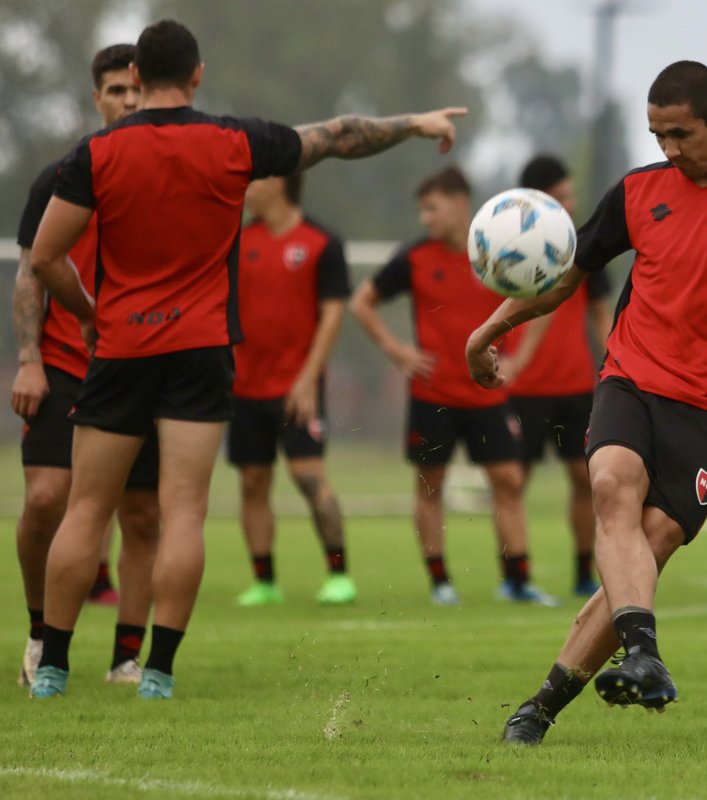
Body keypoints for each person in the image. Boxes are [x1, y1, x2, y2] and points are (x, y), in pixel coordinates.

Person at [28, 19, 466, 700]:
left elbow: (44, 258)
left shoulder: (96, 154)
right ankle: (158, 675)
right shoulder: (235, 142)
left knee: (87, 509)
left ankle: (52, 668)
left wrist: (90, 315)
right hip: (201, 353)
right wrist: (415, 122)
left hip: (121, 348)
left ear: (137, 80)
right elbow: (341, 135)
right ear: (197, 74)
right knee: (183, 512)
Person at [465, 60, 707, 744]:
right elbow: (565, 275)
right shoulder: (638, 192)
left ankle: (539, 707)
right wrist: (490, 328)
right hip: (631, 377)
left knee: (651, 542)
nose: (668, 148)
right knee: (610, 486)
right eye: (657, 134)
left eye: (681, 133)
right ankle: (644, 657)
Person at [11, 43, 161, 688]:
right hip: (67, 364)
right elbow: (31, 272)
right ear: (95, 98)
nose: (127, 102)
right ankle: (41, 635)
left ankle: (127, 655)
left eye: (135, 91)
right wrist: (28, 358)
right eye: (115, 92)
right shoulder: (62, 176)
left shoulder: (164, 176)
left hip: (141, 364)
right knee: (46, 500)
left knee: (143, 516)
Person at [350, 166, 557, 608]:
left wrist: (520, 356)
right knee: (430, 484)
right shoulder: (414, 258)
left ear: (461, 204)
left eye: (432, 208)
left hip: (488, 394)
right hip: (433, 396)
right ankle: (440, 582)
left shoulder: (496, 253)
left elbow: (543, 299)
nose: (425, 218)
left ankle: (517, 581)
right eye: (421, 210)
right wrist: (397, 350)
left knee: (508, 480)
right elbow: (361, 301)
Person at [229, 172, 355, 607]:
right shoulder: (238, 242)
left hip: (297, 387)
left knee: (308, 476)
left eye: (252, 180)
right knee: (252, 481)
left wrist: (307, 378)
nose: (244, 188)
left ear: (278, 183)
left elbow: (334, 314)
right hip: (245, 386)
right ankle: (264, 581)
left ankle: (339, 574)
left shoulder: (323, 242)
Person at [501, 155, 612, 597]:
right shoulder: (506, 245)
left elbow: (601, 314)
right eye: (563, 196)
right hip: (522, 388)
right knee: (511, 483)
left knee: (586, 480)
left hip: (576, 387)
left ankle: (584, 574)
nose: (572, 203)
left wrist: (615, 365)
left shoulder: (583, 247)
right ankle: (514, 578)